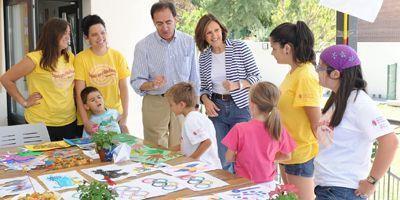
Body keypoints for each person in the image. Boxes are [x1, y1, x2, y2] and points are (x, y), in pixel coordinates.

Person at [314, 45, 398, 200]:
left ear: (335, 73)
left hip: (342, 191)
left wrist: (371, 181)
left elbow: (390, 141)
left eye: (320, 67)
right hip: (329, 188)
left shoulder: (359, 102)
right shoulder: (338, 99)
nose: (317, 71)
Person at [194, 14, 260, 171]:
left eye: (216, 30)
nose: (214, 35)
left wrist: (237, 85)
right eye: (209, 33)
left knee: (243, 156)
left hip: (241, 107)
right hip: (217, 110)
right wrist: (205, 100)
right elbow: (203, 87)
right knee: (223, 158)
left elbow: (257, 77)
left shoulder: (239, 47)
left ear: (222, 30)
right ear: (203, 36)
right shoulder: (204, 57)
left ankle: (244, 192)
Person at [131, 2, 199, 148]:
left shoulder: (188, 42)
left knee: (182, 147)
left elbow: (194, 77)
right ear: (153, 22)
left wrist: (196, 104)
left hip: (183, 102)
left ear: (175, 18)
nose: (165, 27)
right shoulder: (143, 46)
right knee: (155, 150)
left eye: (168, 22)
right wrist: (152, 84)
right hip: (155, 102)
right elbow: (136, 81)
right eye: (159, 23)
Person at [0, 18, 78, 141]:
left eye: (69, 33)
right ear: (54, 34)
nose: (68, 37)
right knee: (42, 159)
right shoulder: (35, 59)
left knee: (67, 160)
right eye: (65, 33)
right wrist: (24, 102)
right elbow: (6, 79)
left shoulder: (70, 57)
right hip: (41, 123)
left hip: (69, 121)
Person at [269, 21, 322, 200]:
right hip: (288, 154)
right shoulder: (293, 73)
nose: (272, 52)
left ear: (287, 48)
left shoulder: (305, 76)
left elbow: (316, 124)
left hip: (300, 155)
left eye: (274, 48)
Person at [222, 81, 296, 186]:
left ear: (251, 104)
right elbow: (287, 156)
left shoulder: (239, 129)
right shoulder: (279, 129)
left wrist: (242, 158)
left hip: (242, 184)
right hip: (268, 185)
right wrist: (269, 158)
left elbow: (228, 157)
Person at [74, 14, 130, 136]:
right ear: (86, 38)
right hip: (92, 120)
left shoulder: (117, 56)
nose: (100, 37)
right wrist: (85, 121)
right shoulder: (80, 59)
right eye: (94, 35)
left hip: (114, 118)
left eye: (102, 32)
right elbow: (79, 94)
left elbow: (124, 88)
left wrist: (124, 116)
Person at [165, 82, 221, 169]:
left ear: (181, 105)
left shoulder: (191, 120)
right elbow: (188, 144)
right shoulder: (196, 117)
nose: (170, 108)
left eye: (171, 105)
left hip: (204, 167)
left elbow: (207, 142)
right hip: (206, 166)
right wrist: (166, 150)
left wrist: (191, 159)